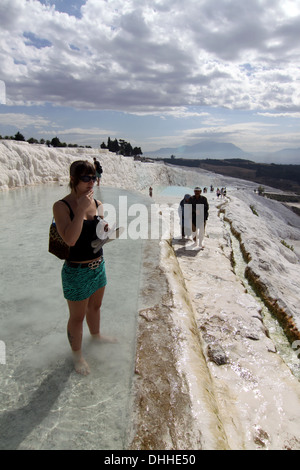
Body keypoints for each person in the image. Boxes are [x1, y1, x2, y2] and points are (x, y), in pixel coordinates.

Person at [53, 160, 115, 376]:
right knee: (77, 317)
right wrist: (79, 211)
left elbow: (95, 235)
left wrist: (105, 230)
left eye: (94, 177)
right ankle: (77, 356)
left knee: (96, 307)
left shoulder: (98, 203)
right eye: (86, 178)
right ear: (73, 179)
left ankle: (96, 337)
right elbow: (70, 239)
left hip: (99, 265)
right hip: (76, 271)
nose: (92, 182)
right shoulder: (62, 206)